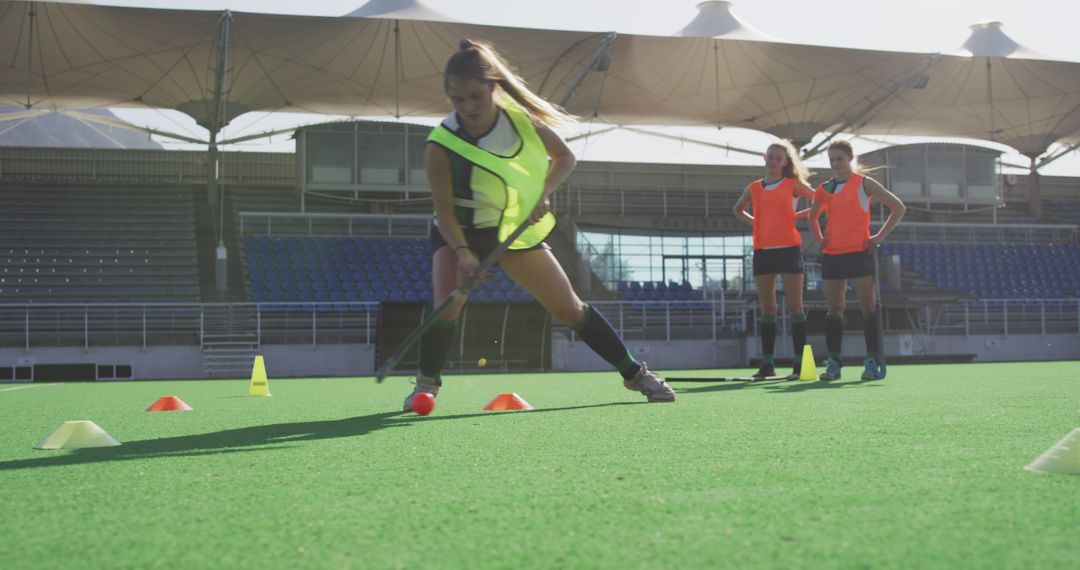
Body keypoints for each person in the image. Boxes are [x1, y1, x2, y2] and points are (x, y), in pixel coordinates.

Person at [403, 39, 675, 411]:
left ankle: (635, 375)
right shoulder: (440, 145)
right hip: (459, 232)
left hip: (512, 231)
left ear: (493, 87)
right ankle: (426, 383)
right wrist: (463, 253)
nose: (466, 108)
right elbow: (444, 213)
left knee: (569, 309)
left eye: (474, 97)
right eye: (456, 99)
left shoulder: (521, 121)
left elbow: (564, 157)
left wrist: (541, 194)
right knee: (447, 303)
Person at [809, 140, 906, 381]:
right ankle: (833, 363)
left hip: (860, 253)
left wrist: (879, 236)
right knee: (834, 310)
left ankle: (871, 361)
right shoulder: (824, 188)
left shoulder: (864, 184)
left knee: (868, 308)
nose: (835, 163)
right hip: (832, 255)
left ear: (850, 158)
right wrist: (820, 238)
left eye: (839, 158)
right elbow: (812, 218)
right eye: (831, 159)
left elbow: (898, 207)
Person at [732, 141, 816, 379]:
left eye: (778, 158)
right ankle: (767, 364)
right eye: (770, 157)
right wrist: (756, 223)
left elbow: (819, 200)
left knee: (795, 307)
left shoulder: (792, 184)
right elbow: (738, 209)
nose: (773, 161)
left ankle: (799, 363)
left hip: (789, 249)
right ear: (764, 158)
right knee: (768, 308)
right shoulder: (755, 187)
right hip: (763, 251)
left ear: (785, 162)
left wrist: (799, 214)